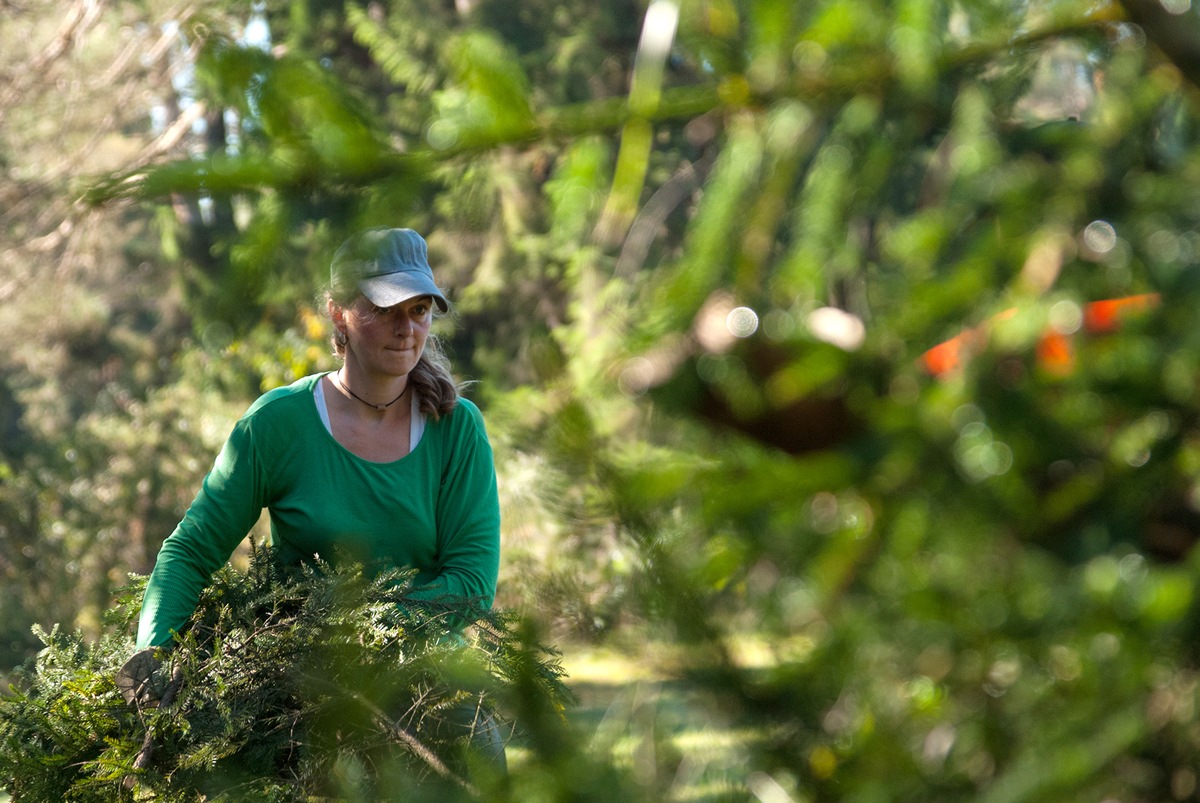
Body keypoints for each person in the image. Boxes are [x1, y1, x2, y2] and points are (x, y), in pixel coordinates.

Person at [117, 226, 505, 773]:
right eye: (387, 308)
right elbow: (192, 550)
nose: (406, 328)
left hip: (433, 697)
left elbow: (470, 584)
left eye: (420, 311)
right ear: (339, 313)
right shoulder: (279, 424)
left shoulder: (455, 428)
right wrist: (155, 652)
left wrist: (357, 634)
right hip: (304, 700)